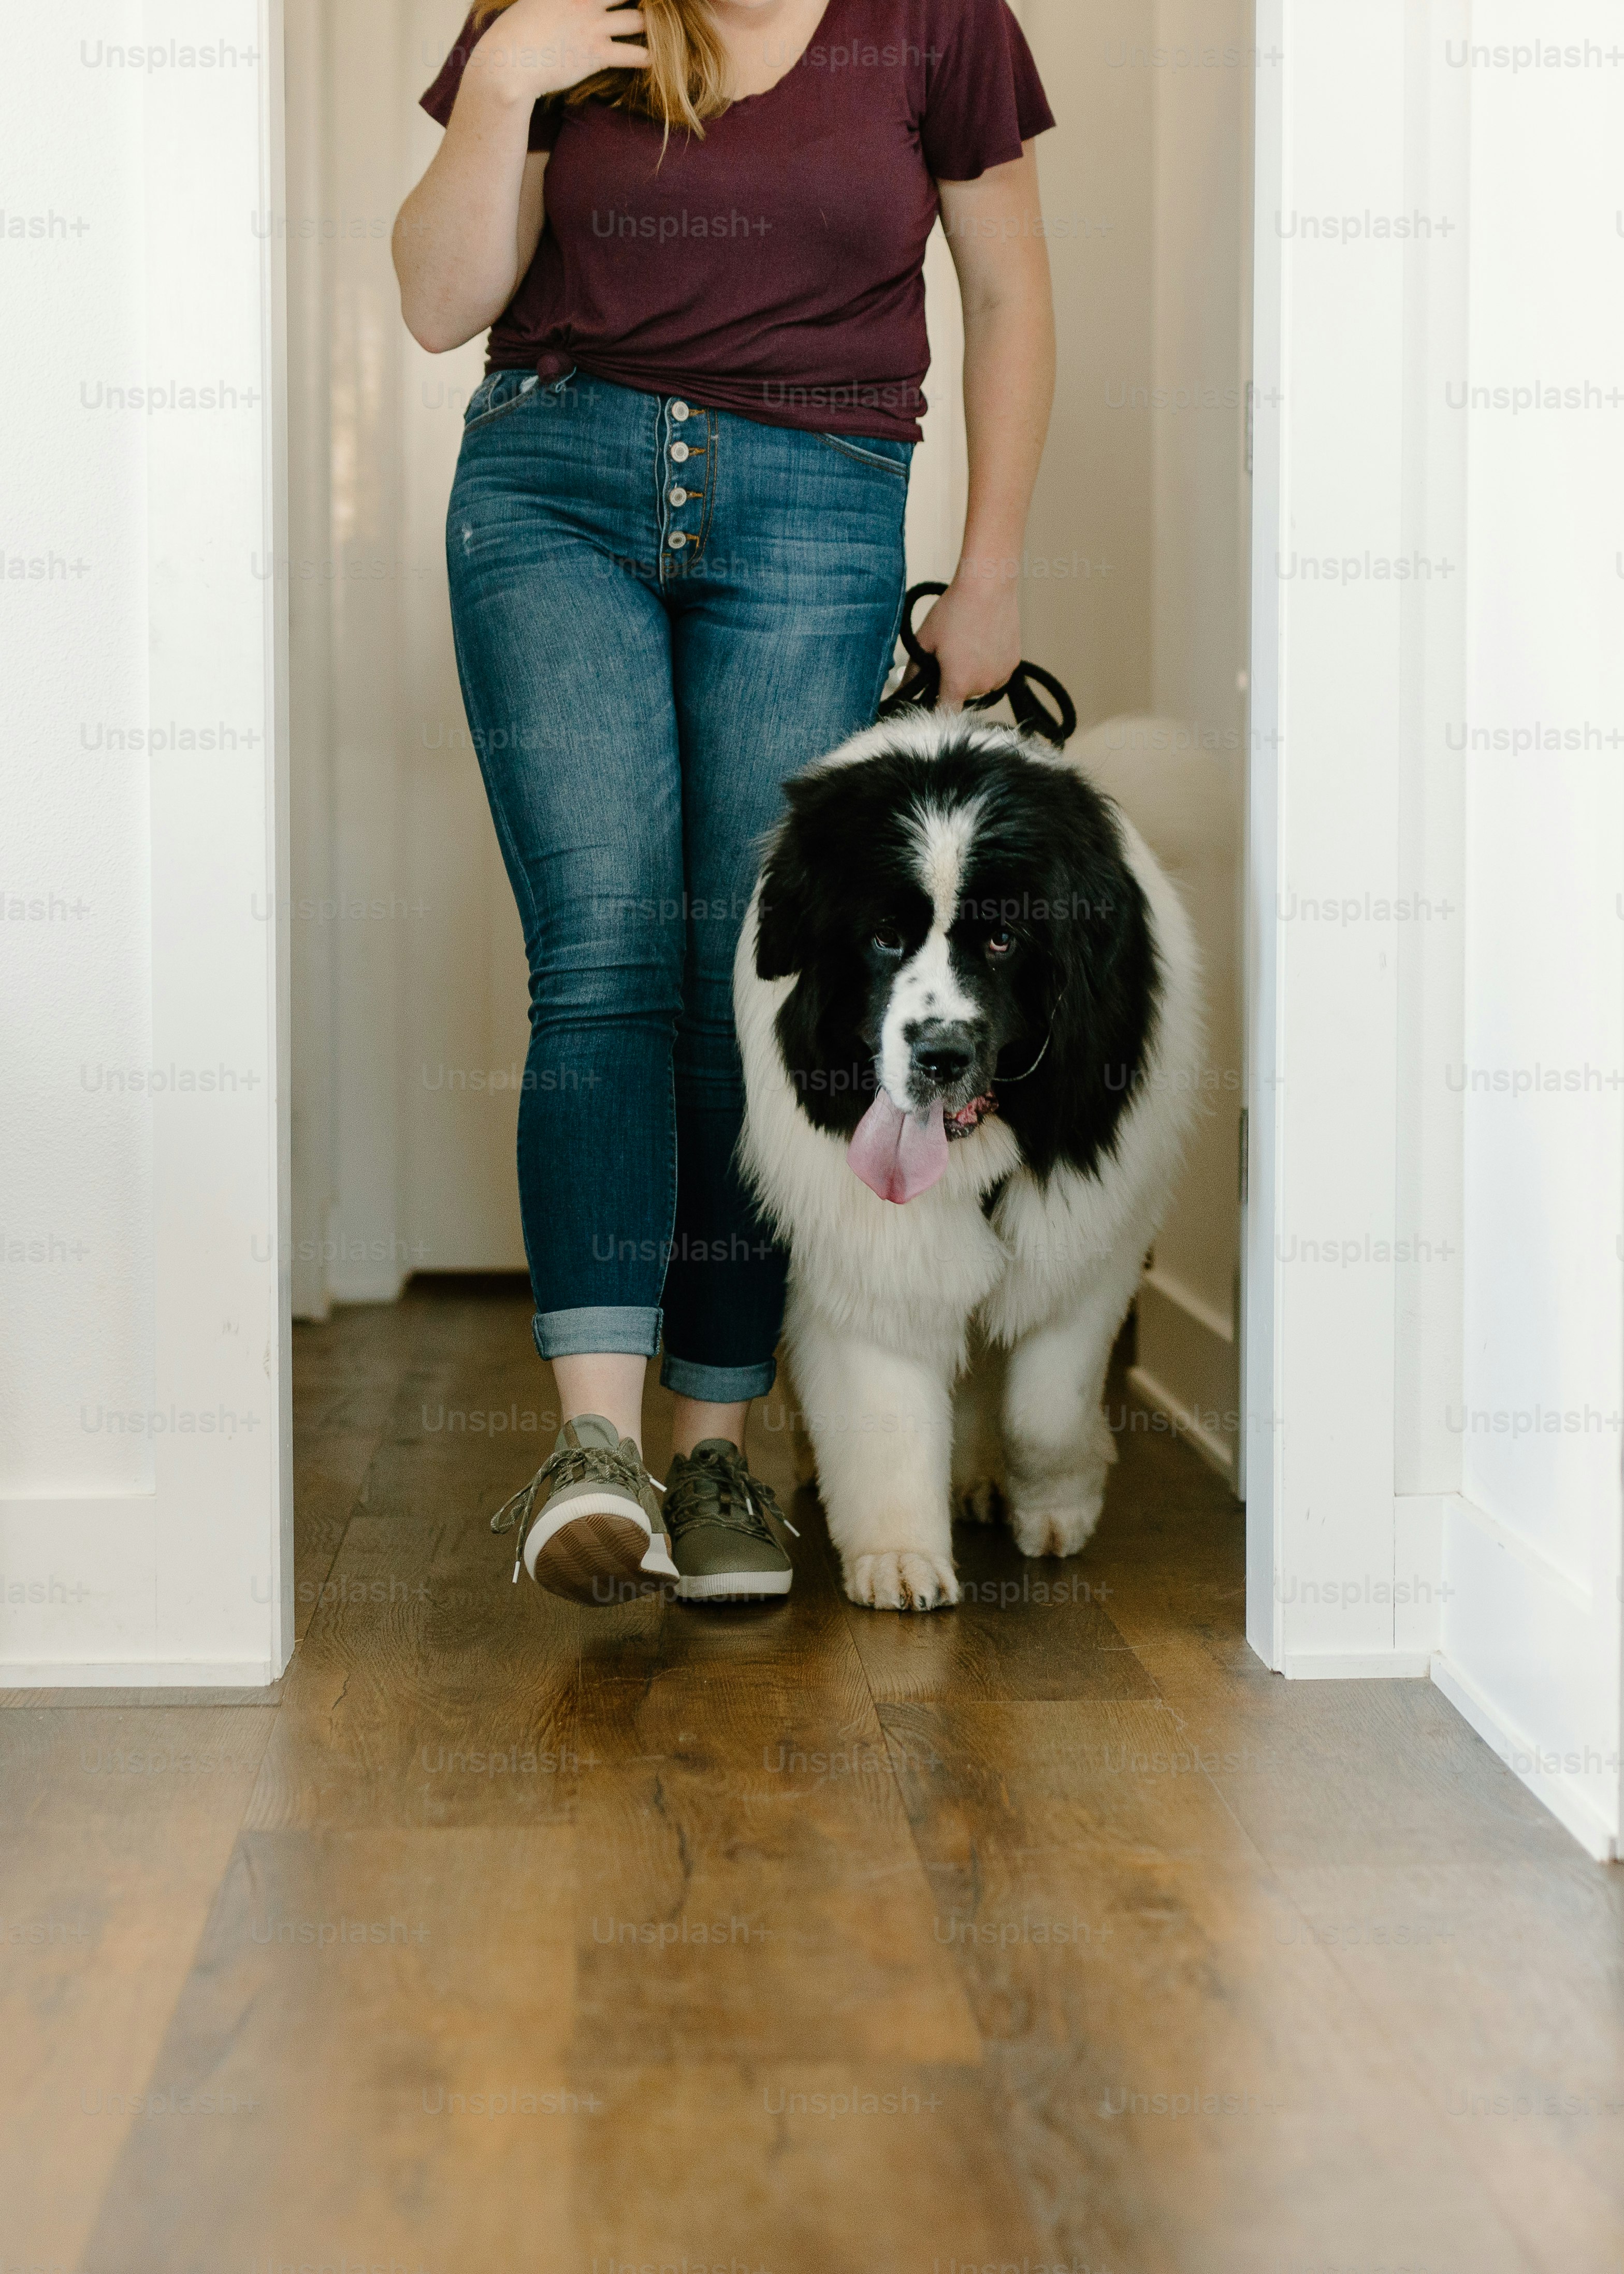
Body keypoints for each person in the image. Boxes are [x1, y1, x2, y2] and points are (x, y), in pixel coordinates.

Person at [393, 0, 1055, 1606]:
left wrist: (992, 569)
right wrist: (501, 86)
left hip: (819, 507)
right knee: (606, 961)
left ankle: (717, 1454)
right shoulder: (550, 12)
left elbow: (1011, 290)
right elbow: (435, 303)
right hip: (554, 487)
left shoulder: (937, 22)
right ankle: (598, 1451)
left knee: (742, 988)